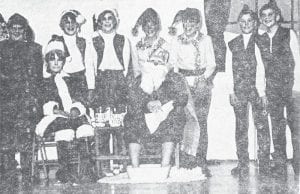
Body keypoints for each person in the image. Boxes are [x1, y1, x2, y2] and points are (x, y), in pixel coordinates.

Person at [125, 8, 189, 168]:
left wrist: (160, 99)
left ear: (158, 26)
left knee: (173, 117)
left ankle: (165, 164)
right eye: (146, 25)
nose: (150, 28)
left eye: (153, 25)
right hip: (143, 93)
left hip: (164, 92)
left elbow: (171, 73)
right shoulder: (136, 47)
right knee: (132, 119)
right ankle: (135, 166)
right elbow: (136, 74)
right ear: (142, 27)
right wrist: (146, 101)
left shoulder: (166, 45)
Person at [36, 37, 96, 185]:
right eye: (52, 59)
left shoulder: (71, 79)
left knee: (84, 127)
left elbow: (79, 99)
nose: (56, 63)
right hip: (52, 118)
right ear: (47, 62)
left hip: (72, 115)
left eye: (59, 59)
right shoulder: (43, 82)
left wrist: (76, 109)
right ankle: (65, 171)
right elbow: (42, 103)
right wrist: (57, 110)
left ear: (63, 61)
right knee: (65, 129)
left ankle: (86, 170)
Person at [169, 7, 216, 177]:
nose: (189, 25)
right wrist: (179, 81)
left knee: (201, 122)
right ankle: (185, 160)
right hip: (183, 84)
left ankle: (201, 161)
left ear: (198, 24)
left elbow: (212, 64)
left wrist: (203, 78)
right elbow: (173, 63)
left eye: (193, 22)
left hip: (202, 84)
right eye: (186, 21)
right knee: (185, 121)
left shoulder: (206, 40)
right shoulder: (176, 40)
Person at [86, 8, 133, 176]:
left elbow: (127, 67)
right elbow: (90, 67)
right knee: (103, 125)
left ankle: (121, 162)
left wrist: (124, 85)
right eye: (103, 19)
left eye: (110, 18)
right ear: (99, 21)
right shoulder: (93, 40)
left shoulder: (123, 40)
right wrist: (92, 88)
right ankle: (104, 164)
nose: (107, 21)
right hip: (101, 83)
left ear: (115, 21)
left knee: (119, 124)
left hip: (119, 82)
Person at [256, 0, 300, 179]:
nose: (267, 18)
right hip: (272, 90)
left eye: (270, 15)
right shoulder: (260, 38)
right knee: (277, 128)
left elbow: (297, 61)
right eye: (264, 16)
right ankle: (280, 166)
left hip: (290, 88)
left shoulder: (288, 34)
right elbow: (260, 67)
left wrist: (297, 88)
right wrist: (263, 92)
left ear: (277, 17)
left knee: (296, 127)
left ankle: (298, 166)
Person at [227, 5, 270, 179]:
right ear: (239, 23)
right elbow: (229, 69)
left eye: (249, 21)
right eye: (242, 21)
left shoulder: (260, 40)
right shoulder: (233, 43)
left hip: (256, 90)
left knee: (261, 126)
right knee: (241, 127)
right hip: (239, 90)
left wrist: (262, 93)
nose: (246, 24)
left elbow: (261, 68)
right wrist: (231, 91)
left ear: (255, 23)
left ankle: (264, 163)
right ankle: (242, 163)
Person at [0, 13, 43, 186]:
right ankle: (8, 175)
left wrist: (34, 102)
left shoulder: (35, 49)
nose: (16, 32)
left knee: (26, 140)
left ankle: (28, 175)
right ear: (8, 30)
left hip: (25, 101)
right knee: (6, 141)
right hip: (6, 102)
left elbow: (37, 79)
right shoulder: (1, 48)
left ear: (25, 30)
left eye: (20, 28)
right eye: (13, 28)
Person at [43, 10, 92, 106]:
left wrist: (91, 88)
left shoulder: (83, 42)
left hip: (81, 81)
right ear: (62, 25)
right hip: (63, 80)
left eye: (73, 22)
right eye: (67, 22)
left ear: (77, 24)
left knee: (80, 108)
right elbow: (48, 63)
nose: (70, 25)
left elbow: (89, 66)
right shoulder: (57, 41)